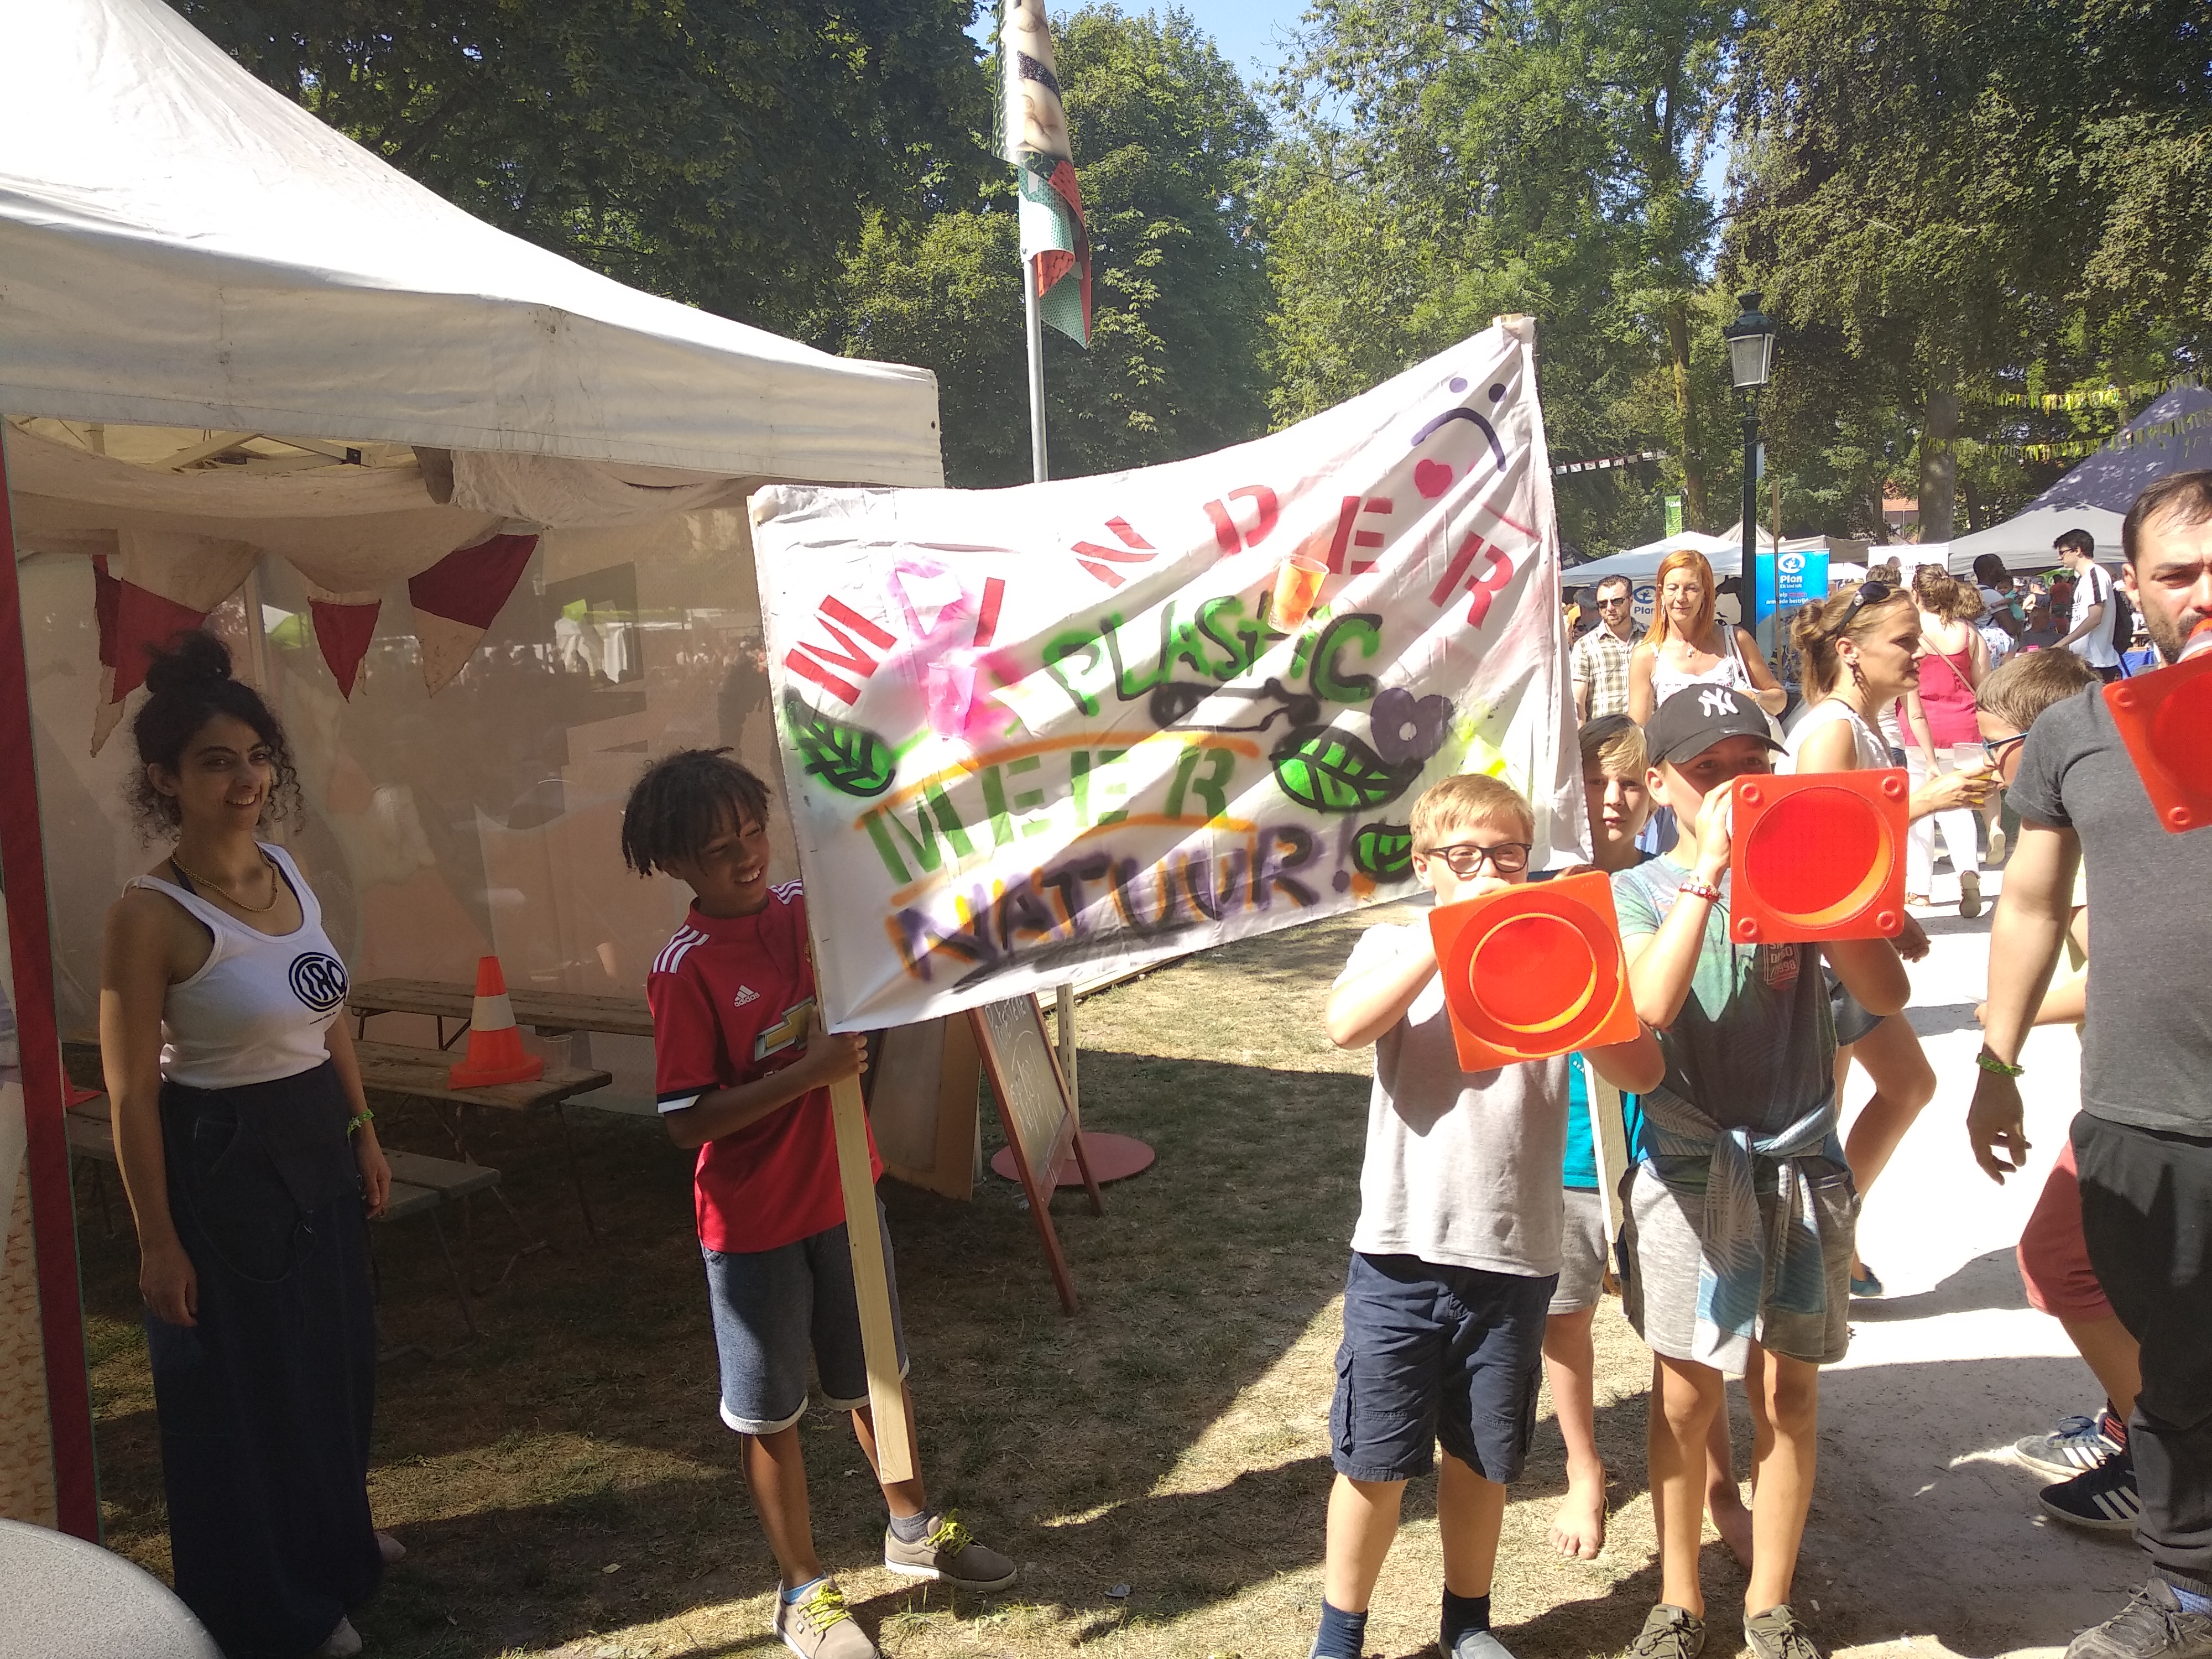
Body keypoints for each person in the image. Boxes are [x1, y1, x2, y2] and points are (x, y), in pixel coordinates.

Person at [620, 749, 1015, 1659]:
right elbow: (686, 1121)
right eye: (718, 848)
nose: (745, 855)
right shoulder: (683, 969)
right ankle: (802, 1590)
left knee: (879, 1373)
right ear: (676, 863)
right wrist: (807, 1075)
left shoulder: (808, 911)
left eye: (754, 831)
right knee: (772, 1413)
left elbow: (895, 898)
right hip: (753, 1226)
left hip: (847, 1191)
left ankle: (911, 1530)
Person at [1314, 774, 1662, 1659]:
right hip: (1401, 1251)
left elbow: (1642, 1071)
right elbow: (1346, 1027)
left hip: (1515, 1254)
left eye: (1507, 855)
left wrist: (1579, 977)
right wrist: (1445, 940)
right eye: (1465, 857)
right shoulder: (1393, 943)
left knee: (1482, 1458)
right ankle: (1340, 1634)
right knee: (1375, 1461)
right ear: (1426, 864)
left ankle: (1468, 1622)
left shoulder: (1556, 948)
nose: (1489, 873)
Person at [100, 630, 393, 1659]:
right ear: (165, 779)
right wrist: (157, 1241)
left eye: (257, 756)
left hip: (314, 1129)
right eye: (217, 761)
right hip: (223, 1154)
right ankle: (277, 1603)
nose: (245, 779)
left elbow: (330, 1011)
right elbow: (132, 1093)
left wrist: (360, 1127)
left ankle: (337, 1544)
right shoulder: (150, 916)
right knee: (252, 1385)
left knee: (334, 1360)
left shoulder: (286, 867)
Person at [1613, 686, 1911, 1659]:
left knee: (1788, 1394)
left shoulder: (1805, 884)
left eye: (1754, 769)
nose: (1735, 793)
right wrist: (1708, 875)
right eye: (1708, 774)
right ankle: (1680, 1598)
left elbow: (1886, 992)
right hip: (1690, 1180)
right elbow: (1648, 1009)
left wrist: (1829, 889)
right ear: (1659, 784)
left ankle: (1770, 1604)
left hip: (1793, 1171)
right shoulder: (1636, 891)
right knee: (1685, 1396)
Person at [1971, 472, 2212, 1659]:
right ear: (2132, 590)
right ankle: (2190, 1601)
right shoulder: (2076, 733)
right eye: (2177, 573)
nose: (2203, 593)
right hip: (2143, 1119)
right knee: (2172, 1378)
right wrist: (1993, 1058)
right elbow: (2026, 901)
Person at [1541, 719, 1754, 1568]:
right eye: (1597, 783)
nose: (1615, 800)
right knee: (1567, 1313)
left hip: (1670, 1142)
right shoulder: (1536, 888)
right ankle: (1585, 1468)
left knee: (1688, 1332)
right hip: (1572, 1148)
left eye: (1631, 783)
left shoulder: (1669, 884)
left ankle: (1719, 1486)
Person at [1966, 650, 2144, 1531]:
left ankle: (2156, 1453)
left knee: (2059, 1262)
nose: (1989, 766)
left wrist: (2005, 1015)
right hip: (2130, 1083)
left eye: (1996, 748)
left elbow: (2109, 968)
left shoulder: (2077, 832)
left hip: (2139, 1092)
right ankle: (2135, 1422)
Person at [1783, 581, 1987, 1297]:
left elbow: (1849, 851)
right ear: (1850, 651)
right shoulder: (1831, 727)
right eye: (1904, 641)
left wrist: (1893, 915)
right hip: (1821, 952)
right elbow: (1815, 840)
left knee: (1865, 1102)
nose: (1920, 654)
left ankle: (1829, 1245)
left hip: (1845, 943)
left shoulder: (1857, 724)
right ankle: (1823, 1248)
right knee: (1882, 1094)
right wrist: (1926, 800)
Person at [1900, 567, 1992, 916]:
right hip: (1965, 727)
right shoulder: (1970, 634)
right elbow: (1984, 685)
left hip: (1920, 727)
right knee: (1961, 804)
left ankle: (1919, 889)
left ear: (1917, 593)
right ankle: (1968, 872)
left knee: (1921, 808)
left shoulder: (1912, 635)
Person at [1626, 550, 1787, 726]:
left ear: (1706, 593)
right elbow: (1638, 732)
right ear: (1661, 593)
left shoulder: (1736, 640)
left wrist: (1753, 697)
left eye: (1691, 588)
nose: (1681, 598)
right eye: (1673, 588)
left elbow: (1779, 700)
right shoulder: (1646, 655)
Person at [2054, 528, 2126, 682]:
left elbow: (2095, 618)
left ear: (2078, 551)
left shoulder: (2096, 575)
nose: (2059, 557)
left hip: (2098, 663)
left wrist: (2061, 644)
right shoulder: (2082, 580)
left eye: (2062, 552)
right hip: (2084, 661)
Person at [1573, 575, 1639, 722]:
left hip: (1647, 738)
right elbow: (1577, 705)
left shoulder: (1650, 639)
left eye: (1617, 601)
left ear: (1631, 601)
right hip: (1603, 740)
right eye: (1603, 604)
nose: (1610, 608)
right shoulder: (1585, 646)